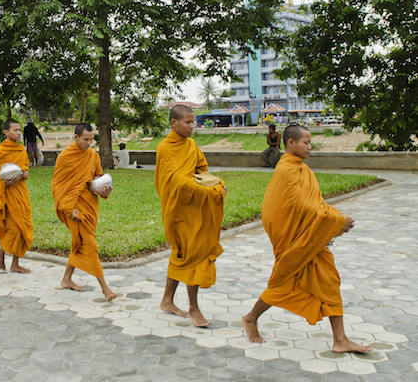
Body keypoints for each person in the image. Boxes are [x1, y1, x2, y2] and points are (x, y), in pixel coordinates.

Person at [242, 125, 372, 353]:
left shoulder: (303, 170)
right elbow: (292, 208)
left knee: (329, 281)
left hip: (310, 240)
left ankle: (340, 339)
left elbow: (316, 204)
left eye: (310, 143)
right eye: (306, 143)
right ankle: (251, 317)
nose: (310, 147)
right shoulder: (286, 171)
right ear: (291, 143)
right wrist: (338, 221)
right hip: (295, 241)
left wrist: (335, 219)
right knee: (282, 283)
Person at [155, 105, 227, 327]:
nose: (192, 126)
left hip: (195, 209)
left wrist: (215, 182)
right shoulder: (165, 148)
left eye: (193, 122)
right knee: (192, 254)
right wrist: (209, 189)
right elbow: (177, 182)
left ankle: (167, 300)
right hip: (178, 211)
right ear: (174, 123)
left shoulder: (191, 145)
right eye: (187, 122)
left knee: (182, 254)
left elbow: (201, 170)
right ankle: (194, 308)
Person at [52, 123, 116, 301]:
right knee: (90, 245)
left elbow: (96, 178)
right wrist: (67, 209)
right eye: (85, 139)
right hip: (73, 208)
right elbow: (58, 185)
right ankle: (105, 289)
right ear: (76, 137)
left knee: (79, 242)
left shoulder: (93, 156)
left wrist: (104, 190)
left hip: (89, 205)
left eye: (91, 139)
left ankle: (66, 279)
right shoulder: (65, 157)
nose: (89, 143)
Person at [0, 119, 33, 273]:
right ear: (6, 132)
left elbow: (25, 168)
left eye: (19, 130)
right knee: (14, 229)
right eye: (15, 130)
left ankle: (15, 264)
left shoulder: (21, 149)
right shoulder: (0, 150)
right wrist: (3, 185)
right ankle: (1, 251)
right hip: (6, 195)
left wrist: (25, 173)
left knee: (23, 228)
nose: (18, 133)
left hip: (20, 193)